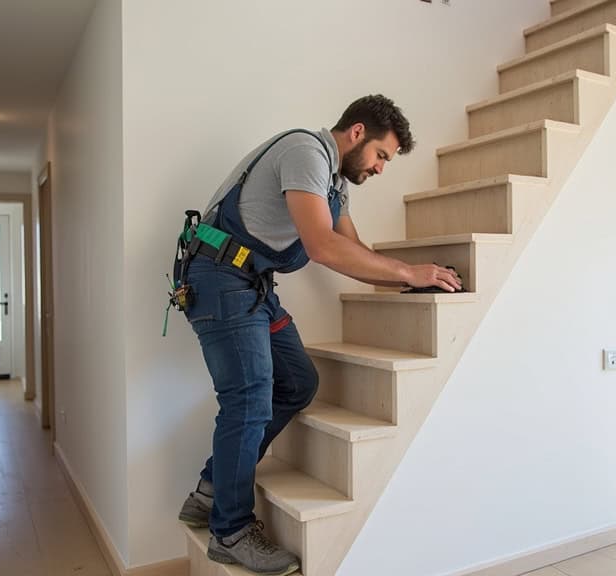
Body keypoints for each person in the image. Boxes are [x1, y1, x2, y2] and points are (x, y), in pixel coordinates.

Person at [175, 94, 461, 575]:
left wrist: (414, 279)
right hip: (219, 278)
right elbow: (323, 246)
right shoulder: (305, 153)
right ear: (356, 134)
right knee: (249, 399)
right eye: (381, 156)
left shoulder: (334, 183)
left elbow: (353, 250)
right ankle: (230, 530)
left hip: (251, 284)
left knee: (299, 383)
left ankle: (209, 491)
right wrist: (408, 272)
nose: (381, 168)